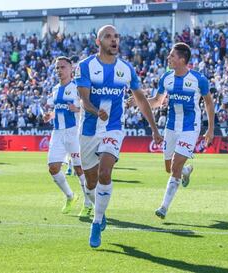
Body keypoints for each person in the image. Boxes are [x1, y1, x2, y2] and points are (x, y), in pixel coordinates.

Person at [75, 25, 163, 248]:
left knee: (105, 172)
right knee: (90, 182)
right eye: (108, 36)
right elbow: (85, 101)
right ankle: (100, 212)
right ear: (98, 42)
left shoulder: (126, 69)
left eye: (116, 37)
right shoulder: (85, 66)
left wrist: (153, 127)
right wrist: (97, 111)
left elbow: (141, 100)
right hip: (89, 129)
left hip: (113, 127)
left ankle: (96, 223)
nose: (113, 40)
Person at [130, 42, 215, 219]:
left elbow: (208, 102)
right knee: (170, 168)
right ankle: (185, 171)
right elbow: (158, 101)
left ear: (182, 60)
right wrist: (139, 101)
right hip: (171, 126)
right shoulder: (166, 78)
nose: (168, 58)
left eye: (172, 56)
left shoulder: (198, 79)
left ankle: (163, 207)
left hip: (190, 127)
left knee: (175, 163)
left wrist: (210, 129)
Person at [44, 56, 93, 217]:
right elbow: (58, 110)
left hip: (74, 132)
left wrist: (78, 109)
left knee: (80, 169)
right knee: (53, 168)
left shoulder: (78, 88)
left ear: (71, 69)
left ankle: (87, 204)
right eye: (57, 67)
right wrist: (49, 116)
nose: (59, 70)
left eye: (62, 67)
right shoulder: (55, 89)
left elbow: (89, 107)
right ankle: (70, 196)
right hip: (57, 132)